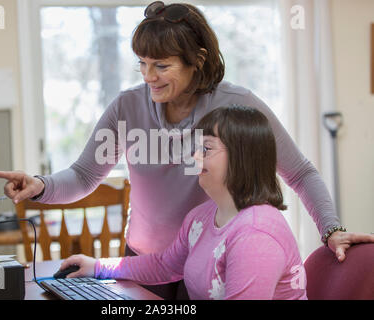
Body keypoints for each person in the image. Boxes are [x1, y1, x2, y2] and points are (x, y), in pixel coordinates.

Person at [0, 1, 374, 299]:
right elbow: (85, 175)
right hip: (147, 259)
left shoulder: (237, 107)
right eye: (141, 64)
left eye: (161, 65)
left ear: (198, 61)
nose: (147, 77)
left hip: (214, 259)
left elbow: (301, 172)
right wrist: (40, 185)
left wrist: (332, 229)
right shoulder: (128, 106)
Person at [58, 106, 308, 300]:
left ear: (241, 158)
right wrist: (97, 266)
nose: (195, 156)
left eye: (206, 149)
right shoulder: (201, 217)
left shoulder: (256, 235)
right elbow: (164, 266)